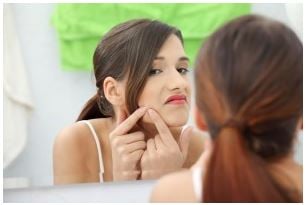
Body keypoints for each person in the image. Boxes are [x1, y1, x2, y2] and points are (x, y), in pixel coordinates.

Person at [150, 14, 302, 202]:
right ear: (301, 116)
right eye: (155, 71)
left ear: (200, 117)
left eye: (182, 69)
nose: (176, 84)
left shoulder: (174, 193)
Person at [53, 19, 205, 185]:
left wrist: (163, 183)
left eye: (181, 69)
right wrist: (122, 185)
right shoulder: (77, 142)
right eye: (154, 71)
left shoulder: (199, 147)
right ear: (113, 91)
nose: (180, 83)